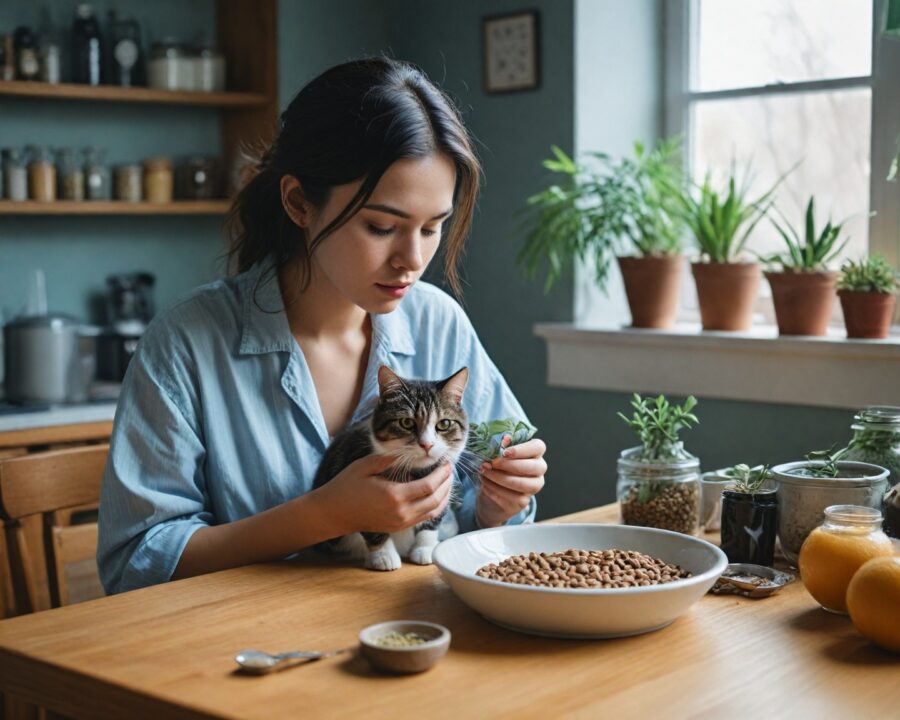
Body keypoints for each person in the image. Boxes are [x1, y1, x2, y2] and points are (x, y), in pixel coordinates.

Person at [97, 56, 547, 595]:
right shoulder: (186, 344)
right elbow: (135, 564)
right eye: (382, 226)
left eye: (433, 228)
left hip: (409, 641)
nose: (412, 258)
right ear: (298, 203)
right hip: (236, 657)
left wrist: (502, 504)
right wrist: (321, 514)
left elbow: (490, 528)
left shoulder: (438, 322)